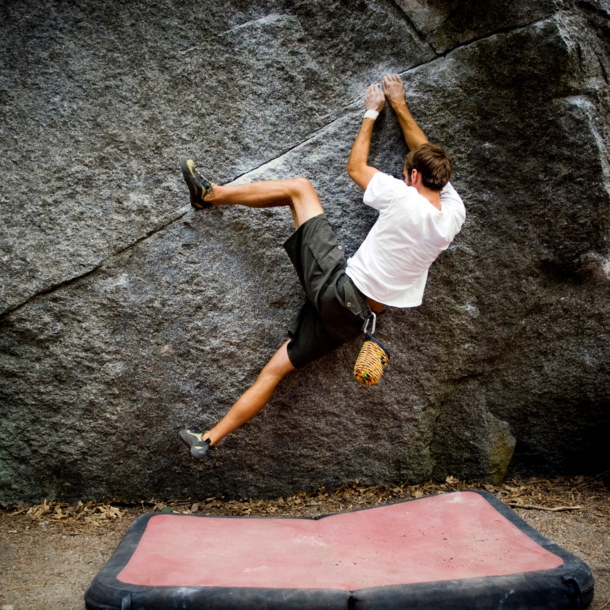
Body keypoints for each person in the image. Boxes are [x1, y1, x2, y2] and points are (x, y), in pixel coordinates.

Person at [178, 74, 465, 459]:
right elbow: (431, 162)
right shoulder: (453, 216)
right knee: (276, 370)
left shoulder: (402, 196)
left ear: (412, 177)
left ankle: (210, 195)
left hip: (337, 290)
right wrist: (401, 106)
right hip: (350, 323)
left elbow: (356, 167)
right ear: (440, 181)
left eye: (405, 173)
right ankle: (208, 438)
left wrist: (373, 111)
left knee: (300, 188)